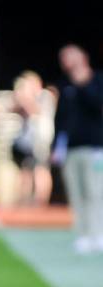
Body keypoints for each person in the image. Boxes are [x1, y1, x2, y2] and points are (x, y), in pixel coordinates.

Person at [52, 44, 103, 254]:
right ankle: (83, 234)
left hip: (94, 147)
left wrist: (84, 84)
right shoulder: (65, 86)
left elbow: (97, 104)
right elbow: (60, 119)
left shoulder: (97, 80)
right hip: (71, 149)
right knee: (76, 193)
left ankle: (97, 233)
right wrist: (56, 146)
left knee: (95, 191)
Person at [10, 71, 55, 207]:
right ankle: (24, 199)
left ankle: (41, 201)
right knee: (26, 170)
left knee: (41, 169)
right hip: (27, 141)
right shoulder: (29, 97)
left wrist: (26, 99)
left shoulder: (45, 96)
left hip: (41, 139)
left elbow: (37, 111)